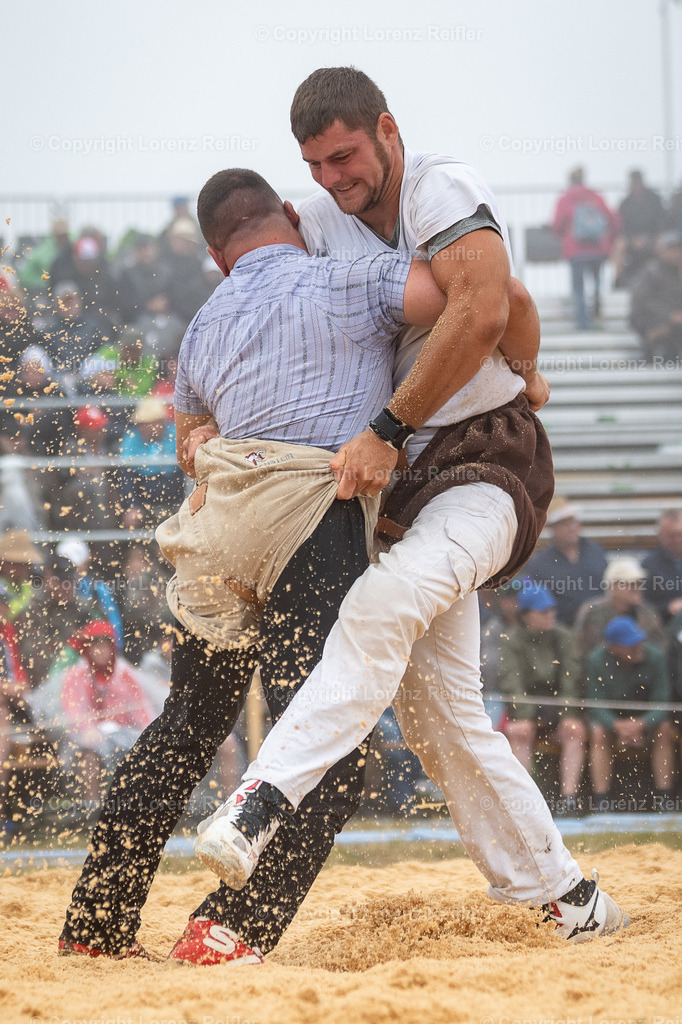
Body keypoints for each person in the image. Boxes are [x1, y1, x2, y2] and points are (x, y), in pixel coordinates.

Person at [194, 68, 628, 948]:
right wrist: (202, 415)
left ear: (387, 130)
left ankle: (260, 797)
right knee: (442, 717)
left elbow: (490, 306)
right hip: (404, 486)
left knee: (382, 605)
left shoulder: (443, 185)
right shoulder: (312, 220)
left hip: (486, 464)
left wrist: (393, 425)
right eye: (314, 164)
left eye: (345, 155)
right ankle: (570, 897)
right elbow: (258, 295)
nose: (332, 178)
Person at [58, 165, 463, 962]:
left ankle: (96, 926)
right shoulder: (347, 278)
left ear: (217, 255)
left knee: (185, 728)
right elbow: (464, 295)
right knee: (326, 751)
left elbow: (188, 444)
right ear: (289, 214)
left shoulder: (202, 326)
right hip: (311, 514)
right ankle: (225, 929)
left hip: (220, 528)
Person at [498, 584, 585, 815]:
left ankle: (569, 800)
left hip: (558, 707)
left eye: (551, 610)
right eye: (543, 611)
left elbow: (571, 679)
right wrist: (524, 717)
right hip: (527, 708)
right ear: (525, 616)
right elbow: (511, 684)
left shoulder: (565, 637)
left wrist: (567, 714)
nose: (550, 615)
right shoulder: (511, 642)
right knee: (519, 733)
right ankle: (526, 805)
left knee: (574, 730)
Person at [586, 617, 674, 811]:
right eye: (630, 644)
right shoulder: (596, 660)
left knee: (665, 729)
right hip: (613, 723)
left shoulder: (656, 657)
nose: (637, 646)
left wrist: (642, 724)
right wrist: (616, 725)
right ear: (613, 648)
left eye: (639, 641)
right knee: (599, 733)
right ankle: (601, 800)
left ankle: (665, 798)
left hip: (646, 721)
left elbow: (662, 702)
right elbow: (595, 703)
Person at [552, 167, 618, 330]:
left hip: (576, 250)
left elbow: (557, 224)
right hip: (598, 248)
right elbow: (612, 219)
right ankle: (596, 300)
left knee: (579, 288)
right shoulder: (596, 196)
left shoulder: (566, 198)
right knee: (596, 280)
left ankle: (583, 323)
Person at [574, 556, 667, 669]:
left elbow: (660, 649)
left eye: (639, 583)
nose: (638, 588)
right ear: (613, 587)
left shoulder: (648, 613)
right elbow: (581, 652)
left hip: (642, 675)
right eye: (631, 584)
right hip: (604, 676)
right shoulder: (592, 612)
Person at [527, 496, 607, 626]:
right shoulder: (541, 564)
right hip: (564, 629)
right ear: (552, 528)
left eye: (573, 521)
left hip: (601, 625)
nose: (572, 527)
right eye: (565, 524)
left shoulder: (596, 550)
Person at [629, 231, 682, 363]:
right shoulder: (650, 271)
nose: (675, 253)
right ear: (661, 250)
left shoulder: (677, 273)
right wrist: (669, 315)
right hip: (650, 318)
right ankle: (651, 344)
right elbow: (642, 301)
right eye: (671, 249)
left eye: (677, 249)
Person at [613, 170, 665, 288]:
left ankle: (664, 277)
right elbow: (622, 226)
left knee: (663, 243)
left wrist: (651, 237)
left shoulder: (654, 199)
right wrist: (633, 239)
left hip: (653, 237)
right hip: (632, 239)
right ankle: (617, 280)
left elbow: (661, 221)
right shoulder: (626, 202)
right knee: (619, 245)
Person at [642, 508, 682, 622]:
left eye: (679, 534)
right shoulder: (649, 565)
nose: (677, 540)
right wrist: (668, 608)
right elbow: (644, 606)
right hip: (666, 626)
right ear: (660, 535)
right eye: (671, 535)